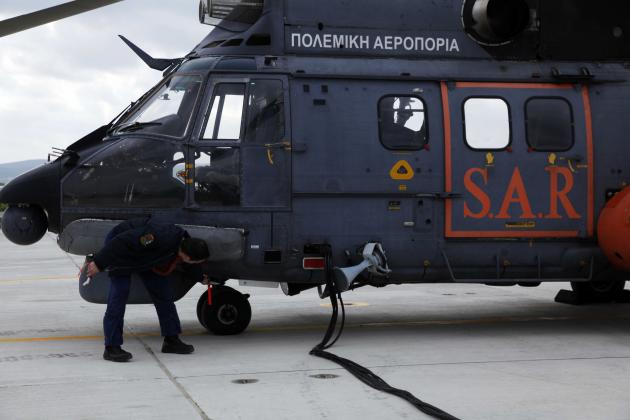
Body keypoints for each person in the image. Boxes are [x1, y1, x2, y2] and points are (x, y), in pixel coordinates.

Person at [85, 217, 210, 363]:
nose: (195, 263)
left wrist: (200, 277)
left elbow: (191, 264)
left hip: (145, 257)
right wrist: (99, 263)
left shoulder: (185, 243)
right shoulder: (157, 237)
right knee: (119, 296)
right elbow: (121, 242)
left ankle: (171, 341)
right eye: (196, 261)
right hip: (121, 249)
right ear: (187, 257)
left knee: (163, 294)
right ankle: (111, 348)